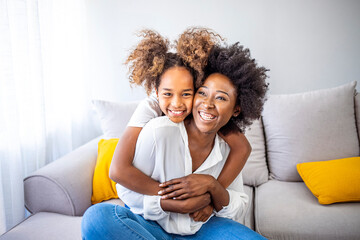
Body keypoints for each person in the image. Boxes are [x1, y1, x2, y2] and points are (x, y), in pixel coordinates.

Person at [81, 42, 269, 239]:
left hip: (201, 227)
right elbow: (123, 183)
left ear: (236, 109)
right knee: (97, 218)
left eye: (221, 98)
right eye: (203, 93)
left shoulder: (228, 146)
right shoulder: (156, 128)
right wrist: (173, 202)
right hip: (150, 225)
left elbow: (237, 204)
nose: (208, 104)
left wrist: (212, 188)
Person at [109, 29, 252, 223]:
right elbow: (118, 170)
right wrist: (176, 200)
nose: (176, 104)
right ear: (156, 91)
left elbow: (242, 147)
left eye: (187, 94)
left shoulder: (208, 116)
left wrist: (211, 194)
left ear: (196, 88)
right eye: (168, 94)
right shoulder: (151, 111)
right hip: (144, 203)